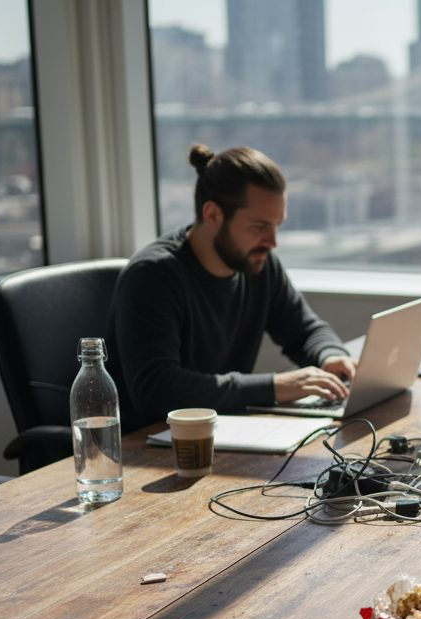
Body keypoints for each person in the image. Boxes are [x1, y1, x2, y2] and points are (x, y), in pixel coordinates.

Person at [107, 145, 357, 431]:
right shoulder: (153, 276)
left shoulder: (258, 263)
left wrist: (331, 355)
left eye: (277, 225)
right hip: (151, 446)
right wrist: (274, 387)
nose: (272, 241)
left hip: (221, 433)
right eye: (260, 226)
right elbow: (158, 391)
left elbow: (305, 330)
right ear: (213, 215)